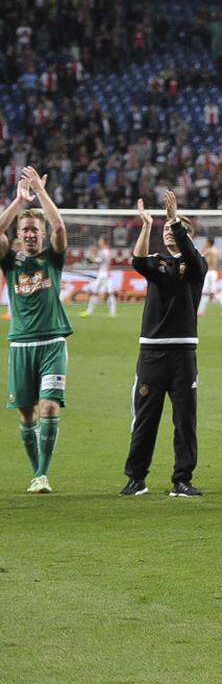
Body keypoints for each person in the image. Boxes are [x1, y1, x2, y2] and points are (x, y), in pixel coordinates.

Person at [122, 192, 205, 498]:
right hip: (152, 350)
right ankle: (136, 478)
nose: (169, 232)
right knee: (145, 417)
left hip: (183, 352)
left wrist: (174, 218)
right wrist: (147, 226)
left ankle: (182, 479)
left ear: (189, 236)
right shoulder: (157, 264)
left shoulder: (197, 265)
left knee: (185, 419)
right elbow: (137, 261)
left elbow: (190, 253)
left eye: (176, 229)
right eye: (167, 230)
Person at [0, 168, 71, 494]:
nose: (30, 234)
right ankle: (36, 472)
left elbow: (59, 226)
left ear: (40, 235)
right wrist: (18, 201)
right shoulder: (11, 262)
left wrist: (41, 193)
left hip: (52, 342)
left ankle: (43, 474)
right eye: (25, 230)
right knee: (26, 415)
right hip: (20, 346)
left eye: (34, 230)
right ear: (18, 235)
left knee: (49, 407)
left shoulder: (52, 259)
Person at [81, 237, 117, 317]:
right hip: (102, 274)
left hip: (105, 274)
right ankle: (89, 311)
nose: (99, 242)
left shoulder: (105, 251)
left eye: (100, 240)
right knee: (95, 292)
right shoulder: (104, 251)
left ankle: (112, 312)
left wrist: (92, 257)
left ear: (104, 242)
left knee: (109, 293)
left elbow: (100, 261)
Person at [197, 237, 222, 316]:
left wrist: (204, 248)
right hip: (213, 272)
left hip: (209, 273)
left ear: (208, 242)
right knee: (206, 292)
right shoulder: (216, 250)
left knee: (211, 292)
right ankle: (201, 311)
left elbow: (200, 256)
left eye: (206, 242)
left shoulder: (209, 250)